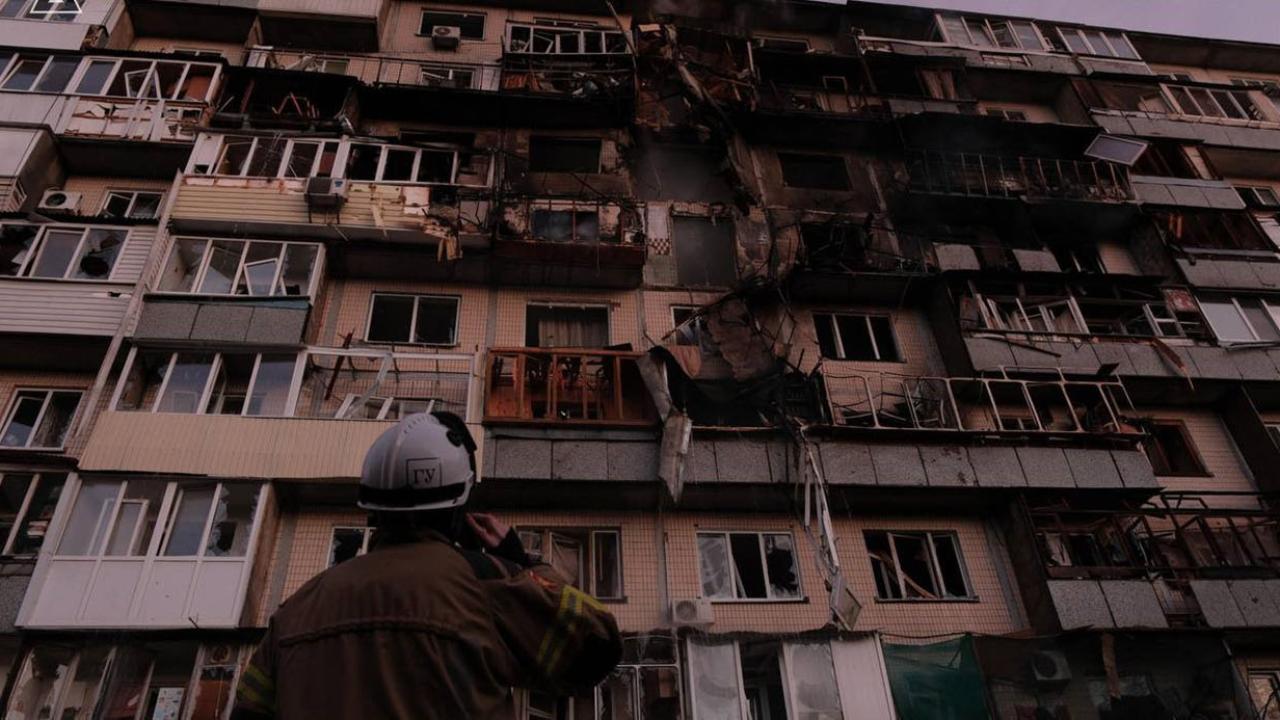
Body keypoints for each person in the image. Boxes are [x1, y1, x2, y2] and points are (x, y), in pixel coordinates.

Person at [231, 412, 622, 719]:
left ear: (373, 508)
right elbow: (597, 645)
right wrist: (520, 562)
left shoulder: (296, 610)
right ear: (458, 509)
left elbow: (249, 711)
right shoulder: (485, 585)